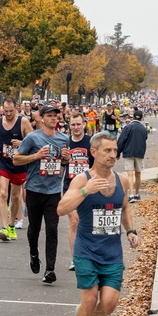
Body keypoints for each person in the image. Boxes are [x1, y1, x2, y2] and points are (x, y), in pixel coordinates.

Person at [57, 132, 139, 316]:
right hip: (86, 250)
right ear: (94, 152)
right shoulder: (82, 180)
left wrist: (131, 231)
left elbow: (124, 209)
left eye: (115, 151)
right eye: (108, 151)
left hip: (112, 252)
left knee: (110, 304)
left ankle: (84, 314)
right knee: (90, 297)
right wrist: (86, 191)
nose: (113, 155)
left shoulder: (122, 180)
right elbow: (61, 209)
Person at [14, 104, 71, 284]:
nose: (53, 118)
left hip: (53, 191)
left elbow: (62, 164)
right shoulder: (32, 138)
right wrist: (36, 156)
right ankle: (33, 253)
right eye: (50, 116)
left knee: (52, 229)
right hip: (34, 189)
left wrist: (65, 159)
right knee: (34, 229)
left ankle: (50, 269)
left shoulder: (64, 139)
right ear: (42, 118)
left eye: (56, 115)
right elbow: (16, 159)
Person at [0, 97, 33, 242]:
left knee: (15, 196)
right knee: (3, 193)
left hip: (19, 162)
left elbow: (33, 140)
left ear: (16, 109)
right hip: (2, 160)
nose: (8, 114)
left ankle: (11, 225)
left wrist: (21, 143)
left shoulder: (23, 122)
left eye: (11, 111)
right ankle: (3, 227)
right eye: (6, 111)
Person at [63, 111, 95, 269]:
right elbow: (61, 165)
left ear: (84, 124)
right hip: (70, 186)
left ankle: (89, 254)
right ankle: (75, 258)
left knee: (88, 223)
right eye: (73, 124)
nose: (76, 127)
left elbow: (98, 165)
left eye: (78, 124)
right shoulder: (65, 143)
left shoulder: (91, 143)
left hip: (89, 187)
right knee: (74, 222)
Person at [116, 109, 148, 203]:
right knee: (138, 173)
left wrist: (118, 153)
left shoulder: (128, 127)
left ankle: (131, 194)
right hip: (139, 152)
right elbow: (145, 139)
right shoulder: (143, 128)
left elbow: (122, 140)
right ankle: (137, 193)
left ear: (133, 117)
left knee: (130, 174)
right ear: (141, 118)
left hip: (128, 152)